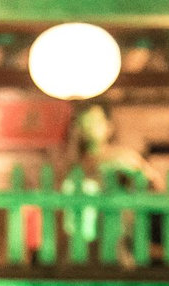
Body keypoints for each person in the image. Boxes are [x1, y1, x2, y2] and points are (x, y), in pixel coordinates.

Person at [56, 101, 160, 257]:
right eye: (85, 122)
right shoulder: (71, 165)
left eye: (95, 121)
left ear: (108, 126)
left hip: (115, 235)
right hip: (77, 238)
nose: (90, 127)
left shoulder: (123, 157)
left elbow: (152, 184)